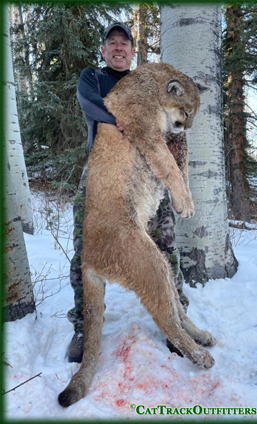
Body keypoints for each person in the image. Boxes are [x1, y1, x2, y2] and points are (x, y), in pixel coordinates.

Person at [67, 22, 189, 363]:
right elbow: (89, 102)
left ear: (134, 52)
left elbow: (173, 123)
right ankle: (83, 325)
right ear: (104, 51)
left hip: (147, 176)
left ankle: (178, 318)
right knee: (86, 249)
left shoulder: (148, 84)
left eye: (125, 43)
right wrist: (119, 118)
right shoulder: (93, 77)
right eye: (113, 43)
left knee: (164, 245)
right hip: (102, 176)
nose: (119, 48)